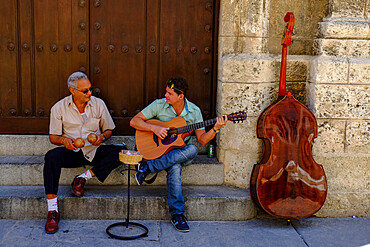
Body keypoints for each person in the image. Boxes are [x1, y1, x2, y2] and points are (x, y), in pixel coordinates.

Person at [130, 77, 227, 232]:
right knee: (174, 167)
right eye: (166, 92)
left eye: (169, 93)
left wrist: (215, 128)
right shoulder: (159, 104)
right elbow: (134, 122)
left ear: (180, 96)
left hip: (180, 152)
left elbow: (202, 140)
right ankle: (177, 215)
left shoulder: (194, 111)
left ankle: (148, 167)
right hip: (160, 152)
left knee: (193, 149)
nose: (165, 95)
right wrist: (155, 129)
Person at [44, 72, 125, 234]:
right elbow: (53, 137)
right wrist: (64, 141)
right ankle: (52, 210)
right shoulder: (59, 108)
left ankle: (83, 178)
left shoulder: (98, 104)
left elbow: (109, 130)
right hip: (73, 151)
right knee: (51, 157)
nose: (90, 93)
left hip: (94, 150)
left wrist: (102, 137)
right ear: (72, 91)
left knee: (121, 152)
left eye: (90, 89)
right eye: (85, 91)